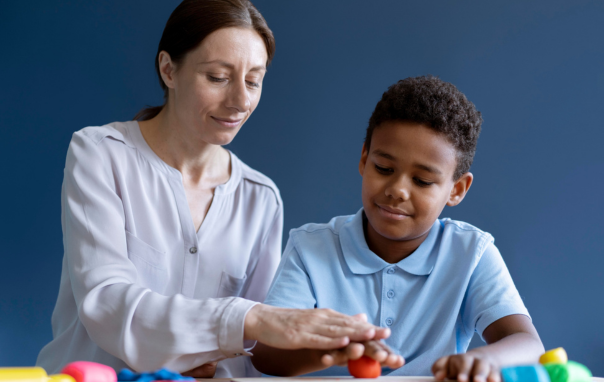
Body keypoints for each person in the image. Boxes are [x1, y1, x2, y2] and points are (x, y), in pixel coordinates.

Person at [36, 0, 388, 378]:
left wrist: (327, 345)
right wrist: (244, 321)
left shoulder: (260, 198)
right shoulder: (99, 153)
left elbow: (252, 350)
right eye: (218, 77)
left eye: (253, 81)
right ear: (169, 69)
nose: (240, 101)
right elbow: (107, 303)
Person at [251, 76, 545, 380]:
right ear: (365, 159)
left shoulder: (471, 253)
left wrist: (483, 360)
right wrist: (335, 349)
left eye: (422, 181)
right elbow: (267, 356)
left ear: (457, 189)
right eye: (384, 169)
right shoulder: (309, 248)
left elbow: (529, 345)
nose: (397, 190)